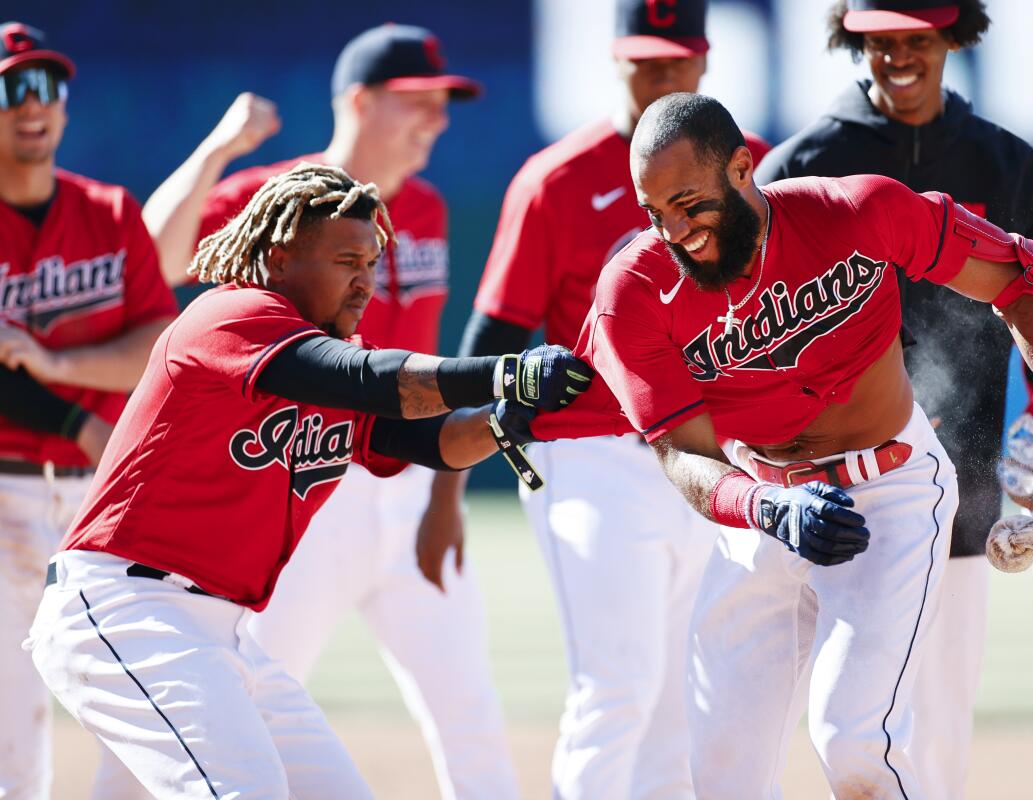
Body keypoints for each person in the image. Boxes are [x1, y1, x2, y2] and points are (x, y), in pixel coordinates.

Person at [531, 91, 1033, 799]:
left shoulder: (854, 211)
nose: (674, 230)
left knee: (854, 741)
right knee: (721, 767)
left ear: (740, 168)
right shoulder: (633, 289)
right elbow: (681, 455)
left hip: (891, 490)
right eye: (654, 212)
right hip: (761, 501)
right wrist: (766, 507)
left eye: (689, 202)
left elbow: (1019, 282)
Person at [24, 162, 592, 799]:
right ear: (279, 257)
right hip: (126, 608)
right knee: (246, 789)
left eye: (372, 263)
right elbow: (370, 379)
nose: (365, 283)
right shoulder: (230, 317)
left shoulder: (329, 358)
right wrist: (505, 372)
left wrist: (508, 419)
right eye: (347, 260)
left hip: (222, 630)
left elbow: (434, 442)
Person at [129, 24, 521, 800]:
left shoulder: (431, 207)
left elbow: (422, 357)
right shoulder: (280, 200)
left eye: (444, 105)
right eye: (419, 103)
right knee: (254, 703)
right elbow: (155, 257)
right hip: (305, 486)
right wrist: (217, 153)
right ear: (360, 101)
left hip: (407, 482)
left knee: (470, 710)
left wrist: (445, 499)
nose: (436, 121)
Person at [753, 2, 1033, 795]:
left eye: (919, 37)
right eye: (881, 41)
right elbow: (740, 330)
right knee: (792, 727)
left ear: (954, 36)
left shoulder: (1003, 163)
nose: (900, 57)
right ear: (854, 41)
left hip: (965, 498)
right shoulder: (805, 159)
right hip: (821, 490)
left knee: (935, 739)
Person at [452, 1, 767, 796]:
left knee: (680, 700)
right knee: (618, 686)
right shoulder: (557, 180)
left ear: (705, 59)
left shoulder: (746, 169)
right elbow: (485, 348)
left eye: (675, 56)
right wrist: (447, 479)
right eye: (644, 57)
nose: (661, 71)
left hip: (705, 455)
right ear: (614, 59)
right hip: (590, 454)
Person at [0, 21, 178, 799]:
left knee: (138, 708)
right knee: (13, 728)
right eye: (11, 87)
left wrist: (61, 364)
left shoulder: (108, 211)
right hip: (5, 490)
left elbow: (156, 340)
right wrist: (77, 417)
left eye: (46, 86)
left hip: (105, 502)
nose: (32, 104)